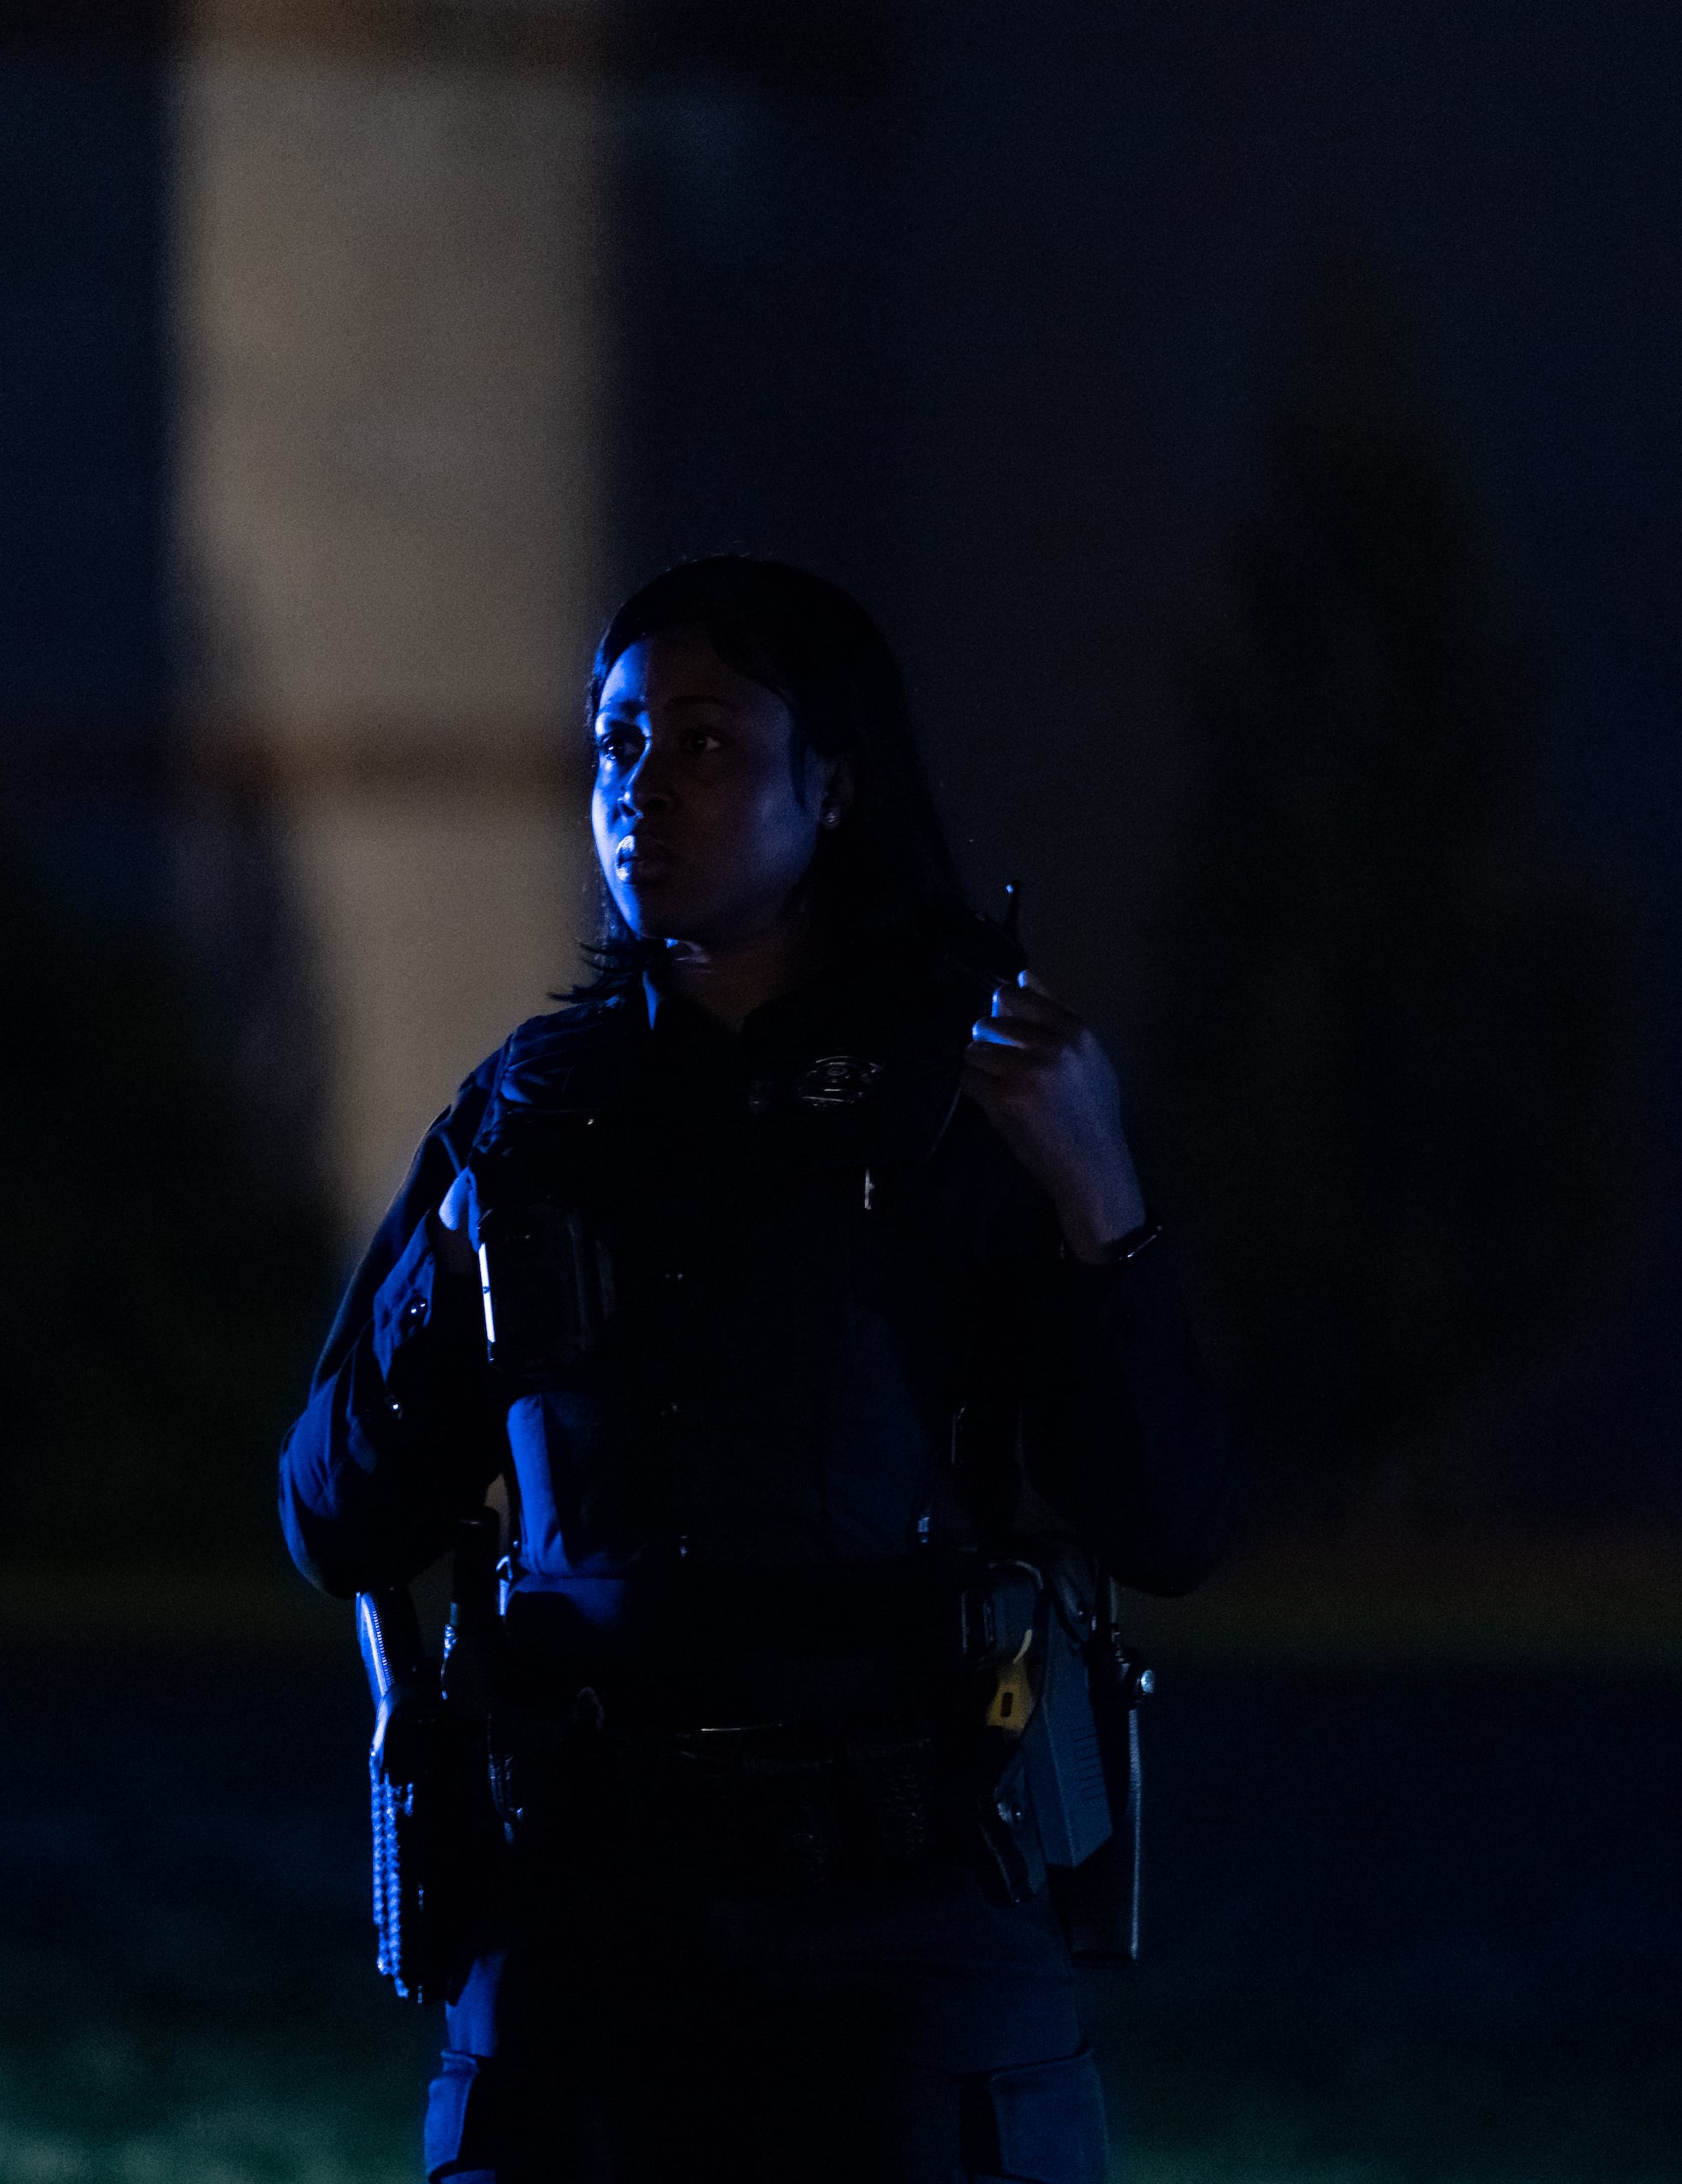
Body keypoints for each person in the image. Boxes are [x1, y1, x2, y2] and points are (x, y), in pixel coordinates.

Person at [280, 556, 1237, 2182]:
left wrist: (1099, 1197)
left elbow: (1172, 1520)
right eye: (617, 745)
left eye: (705, 742)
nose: (643, 788)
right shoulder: (532, 1111)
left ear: (836, 781)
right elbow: (334, 1514)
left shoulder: (976, 1096)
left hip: (904, 1917)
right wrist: (461, 1264)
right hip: (583, 1914)